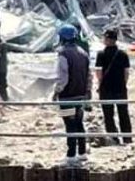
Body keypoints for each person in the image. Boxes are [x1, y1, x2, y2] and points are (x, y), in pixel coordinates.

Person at [54, 25, 91, 165]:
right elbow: (89, 76)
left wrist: (56, 91)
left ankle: (71, 155)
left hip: (67, 96)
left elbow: (62, 77)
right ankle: (82, 152)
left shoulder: (63, 54)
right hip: (80, 95)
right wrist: (87, 92)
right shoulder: (83, 53)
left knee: (69, 125)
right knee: (79, 123)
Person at [95, 29, 132, 145]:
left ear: (106, 39)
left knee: (108, 114)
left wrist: (100, 84)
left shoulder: (101, 54)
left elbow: (99, 72)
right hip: (120, 87)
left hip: (106, 88)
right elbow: (126, 72)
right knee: (123, 113)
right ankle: (127, 138)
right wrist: (124, 83)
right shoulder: (123, 54)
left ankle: (113, 137)